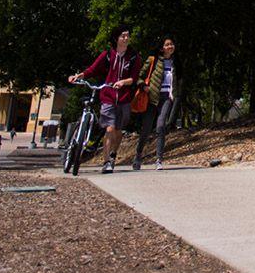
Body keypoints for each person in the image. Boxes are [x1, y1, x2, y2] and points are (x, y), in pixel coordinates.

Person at [69, 27, 141, 174]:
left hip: (124, 98)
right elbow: (92, 70)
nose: (126, 38)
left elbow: (134, 78)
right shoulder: (107, 55)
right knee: (109, 128)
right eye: (123, 36)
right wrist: (79, 76)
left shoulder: (134, 57)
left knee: (119, 130)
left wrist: (123, 82)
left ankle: (113, 154)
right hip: (108, 96)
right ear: (116, 38)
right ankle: (106, 162)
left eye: (127, 36)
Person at [133, 36, 182, 171]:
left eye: (172, 44)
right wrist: (143, 86)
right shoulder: (152, 60)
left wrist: (175, 94)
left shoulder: (175, 62)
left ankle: (159, 159)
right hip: (151, 98)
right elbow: (139, 76)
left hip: (167, 98)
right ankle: (138, 156)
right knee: (146, 129)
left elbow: (178, 80)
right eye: (167, 45)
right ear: (161, 48)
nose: (170, 46)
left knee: (161, 127)